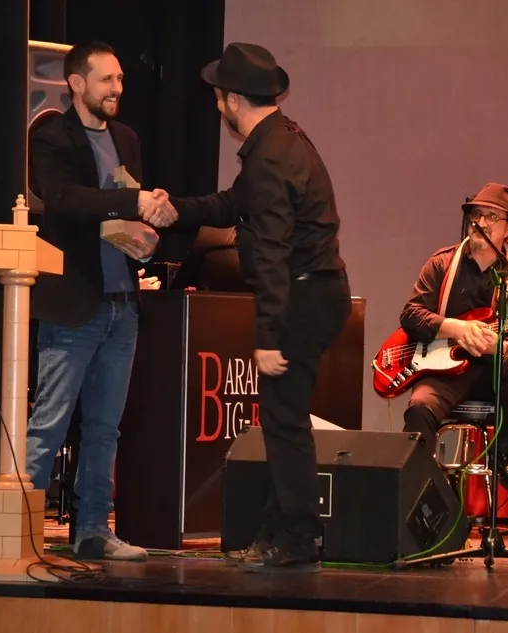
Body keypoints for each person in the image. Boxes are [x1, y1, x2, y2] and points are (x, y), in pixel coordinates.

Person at [153, 42, 352, 573]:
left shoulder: (270, 156)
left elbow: (272, 252)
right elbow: (232, 204)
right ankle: (280, 532)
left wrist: (267, 335)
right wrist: (173, 210)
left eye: (219, 96)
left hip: (303, 297)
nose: (217, 105)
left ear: (232, 100)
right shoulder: (278, 142)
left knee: (285, 422)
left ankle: (298, 538)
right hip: (313, 293)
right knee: (284, 419)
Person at [25, 41, 175, 561]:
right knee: (49, 424)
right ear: (76, 84)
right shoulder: (51, 137)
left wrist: (149, 224)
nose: (117, 88)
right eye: (106, 79)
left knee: (105, 429)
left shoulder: (127, 139)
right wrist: (134, 200)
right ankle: (18, 532)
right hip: (74, 304)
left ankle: (92, 530)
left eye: (120, 79)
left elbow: (123, 212)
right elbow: (64, 200)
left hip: (122, 304)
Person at [399, 183, 508, 494]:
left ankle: (504, 453)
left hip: (495, 374)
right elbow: (411, 315)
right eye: (477, 214)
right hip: (445, 372)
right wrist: (455, 328)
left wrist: (502, 345)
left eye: (492, 216)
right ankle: (424, 494)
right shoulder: (442, 263)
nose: (480, 222)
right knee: (420, 407)